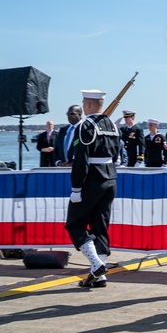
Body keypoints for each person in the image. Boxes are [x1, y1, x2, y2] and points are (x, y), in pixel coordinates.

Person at [66, 89, 120, 288]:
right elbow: (115, 153)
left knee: (75, 223)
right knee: (100, 226)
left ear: (87, 105)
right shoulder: (112, 125)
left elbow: (81, 158)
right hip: (110, 177)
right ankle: (101, 275)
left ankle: (97, 265)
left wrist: (76, 188)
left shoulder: (85, 125)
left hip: (93, 179)